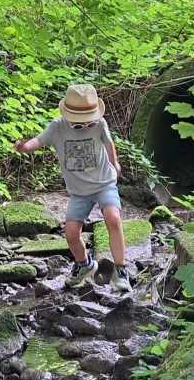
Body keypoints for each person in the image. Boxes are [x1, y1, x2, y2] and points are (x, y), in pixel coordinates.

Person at [12, 84, 132, 292]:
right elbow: (39, 141)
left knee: (113, 218)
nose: (85, 126)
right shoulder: (58, 127)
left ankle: (120, 270)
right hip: (79, 191)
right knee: (71, 233)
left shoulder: (100, 123)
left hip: (104, 182)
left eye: (89, 122)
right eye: (78, 124)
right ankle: (84, 264)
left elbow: (108, 142)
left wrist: (114, 163)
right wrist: (24, 147)